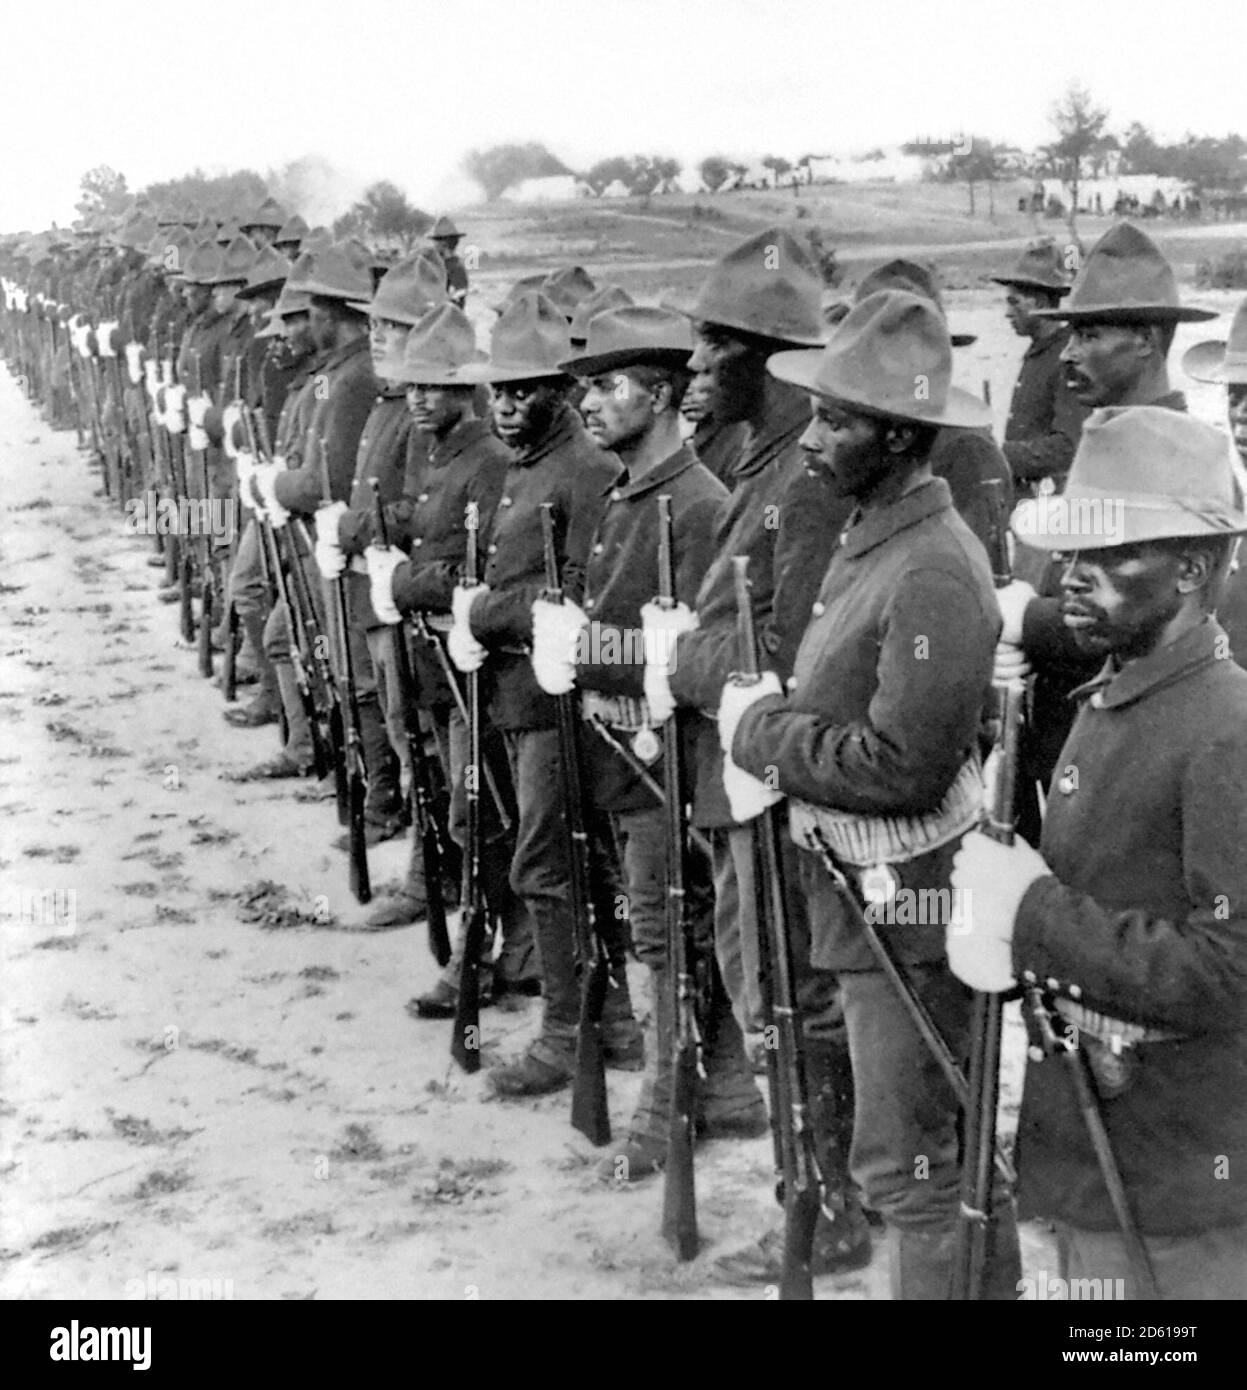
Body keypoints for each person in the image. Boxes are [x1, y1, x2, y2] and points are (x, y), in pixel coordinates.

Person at [722, 288, 1020, 1299]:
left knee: (911, 1165)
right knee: (937, 1150)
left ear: (897, 435)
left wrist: (762, 733)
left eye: (835, 419)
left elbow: (903, 767)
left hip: (909, 905)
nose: (811, 438)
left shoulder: (931, 566)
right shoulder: (876, 537)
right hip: (870, 898)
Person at [950, 406, 1247, 1300]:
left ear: (1191, 569)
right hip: (1096, 1137)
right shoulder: (1116, 691)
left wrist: (1031, 913)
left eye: (1111, 556)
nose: (1070, 580)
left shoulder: (1224, 732)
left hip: (1175, 1175)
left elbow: (1230, 970)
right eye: (1070, 556)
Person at [652, 227, 871, 1280]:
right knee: (759, 982)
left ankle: (828, 1202)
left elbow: (789, 651)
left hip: (779, 783)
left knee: (796, 989)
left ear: (768, 356)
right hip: (738, 777)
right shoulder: (764, 464)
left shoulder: (809, 479)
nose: (691, 367)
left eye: (710, 344)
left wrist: (686, 658)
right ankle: (811, 1184)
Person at [531, 305, 766, 1178]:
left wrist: (588, 651)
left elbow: (704, 657)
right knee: (676, 927)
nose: (587, 404)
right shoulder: (630, 493)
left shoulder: (697, 505)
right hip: (629, 760)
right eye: (585, 387)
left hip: (672, 766)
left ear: (662, 394)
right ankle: (727, 1089)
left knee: (668, 932)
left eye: (608, 386)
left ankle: (667, 1106)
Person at [452, 289, 642, 1097]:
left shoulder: (586, 473)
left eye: (523, 390)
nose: (505, 405)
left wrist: (486, 610)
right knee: (566, 858)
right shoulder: (528, 469)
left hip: (560, 704)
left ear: (562, 393)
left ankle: (570, 1030)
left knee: (550, 860)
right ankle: (613, 1020)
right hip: (524, 696)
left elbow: (582, 598)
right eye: (497, 390)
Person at [993, 223, 1217, 844]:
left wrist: (1024, 622)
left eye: (1089, 334)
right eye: (1068, 334)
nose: (1067, 353)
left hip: (1139, 759)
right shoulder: (1111, 441)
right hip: (1073, 740)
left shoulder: (1175, 459)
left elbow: (1147, 618)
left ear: (1145, 340)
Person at [364, 301, 536, 994]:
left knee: (485, 811)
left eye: (434, 386)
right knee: (459, 801)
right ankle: (502, 946)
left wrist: (405, 582)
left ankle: (490, 947)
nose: (419, 398)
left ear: (469, 389)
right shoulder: (440, 455)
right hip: (437, 660)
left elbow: (479, 573)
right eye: (412, 386)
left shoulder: (488, 460)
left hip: (479, 664)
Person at [990, 240, 1087, 500]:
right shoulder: (1041, 351)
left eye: (1015, 302)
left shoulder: (1068, 357)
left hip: (1052, 504)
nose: (1007, 313)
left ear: (1041, 302)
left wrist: (1000, 454)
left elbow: (1068, 447)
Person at [427, 216, 469, 308]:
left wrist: (439, 303)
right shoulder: (440, 264)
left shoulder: (456, 267)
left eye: (436, 242)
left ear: (443, 244)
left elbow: (461, 292)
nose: (434, 245)